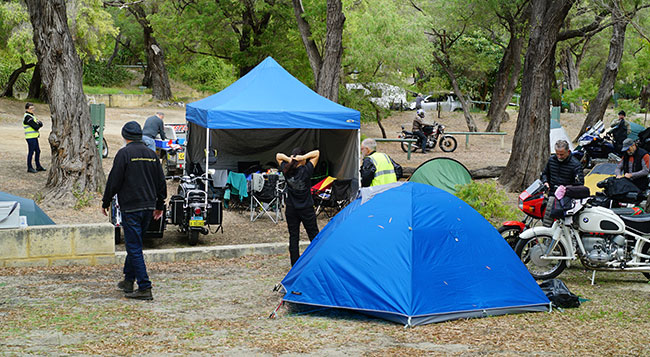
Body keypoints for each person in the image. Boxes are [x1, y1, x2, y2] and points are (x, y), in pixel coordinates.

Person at [101, 121, 167, 300]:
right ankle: (128, 281)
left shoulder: (124, 154)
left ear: (124, 136)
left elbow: (114, 180)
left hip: (131, 207)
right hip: (148, 207)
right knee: (135, 243)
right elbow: (161, 182)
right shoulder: (152, 155)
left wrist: (106, 201)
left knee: (134, 246)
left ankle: (145, 287)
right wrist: (160, 205)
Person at [276, 148, 320, 266]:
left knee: (294, 237)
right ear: (301, 160)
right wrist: (303, 157)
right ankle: (318, 260)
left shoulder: (286, 169)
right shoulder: (306, 170)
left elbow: (278, 155)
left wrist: (289, 159)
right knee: (314, 235)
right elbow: (317, 153)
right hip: (306, 208)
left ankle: (294, 264)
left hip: (291, 209)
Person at [23, 102, 46, 173]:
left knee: (38, 151)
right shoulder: (27, 117)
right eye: (31, 108)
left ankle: (38, 166)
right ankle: (29, 167)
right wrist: (38, 124)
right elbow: (36, 126)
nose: (33, 109)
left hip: (34, 137)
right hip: (30, 138)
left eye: (33, 108)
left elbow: (40, 123)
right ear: (27, 109)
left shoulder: (32, 116)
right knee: (31, 152)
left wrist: (38, 124)